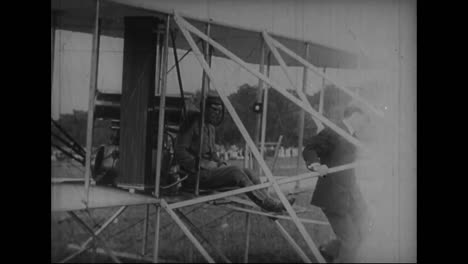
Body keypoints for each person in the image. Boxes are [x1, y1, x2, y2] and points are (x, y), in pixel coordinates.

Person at [174, 94, 294, 212]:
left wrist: (220, 162)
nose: (216, 113)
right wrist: (201, 164)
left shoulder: (210, 128)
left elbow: (212, 153)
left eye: (219, 110)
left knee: (249, 172)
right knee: (235, 171)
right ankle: (270, 205)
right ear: (205, 108)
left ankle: (269, 204)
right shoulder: (191, 124)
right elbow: (179, 152)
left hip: (208, 173)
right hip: (193, 176)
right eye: (213, 109)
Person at [302, 105, 372, 263]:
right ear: (355, 115)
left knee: (366, 230)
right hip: (333, 197)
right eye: (364, 119)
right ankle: (335, 254)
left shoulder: (352, 135)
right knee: (351, 242)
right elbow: (309, 149)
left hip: (351, 196)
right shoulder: (334, 131)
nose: (365, 124)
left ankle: (327, 251)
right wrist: (317, 166)